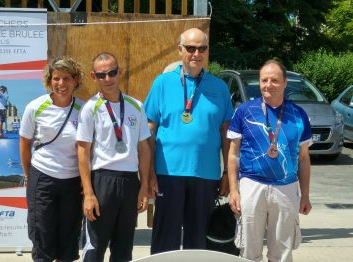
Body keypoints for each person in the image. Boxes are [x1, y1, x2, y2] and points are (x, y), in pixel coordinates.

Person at [143, 28, 234, 254]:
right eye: (191, 48)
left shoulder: (219, 87)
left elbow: (227, 135)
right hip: (168, 173)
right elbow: (148, 130)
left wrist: (228, 175)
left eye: (201, 48)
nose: (196, 53)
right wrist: (149, 172)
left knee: (200, 241)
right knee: (166, 239)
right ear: (180, 50)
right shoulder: (162, 83)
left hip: (206, 174)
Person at [227, 59, 312, 262]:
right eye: (264, 80)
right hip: (252, 185)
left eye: (274, 80)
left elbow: (304, 159)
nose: (268, 85)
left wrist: (305, 195)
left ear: (284, 83)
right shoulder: (244, 111)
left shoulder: (299, 115)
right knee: (248, 251)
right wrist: (233, 190)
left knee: (281, 253)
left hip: (286, 188)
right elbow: (233, 154)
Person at [77, 52, 151, 262]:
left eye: (112, 73)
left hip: (129, 182)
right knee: (94, 248)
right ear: (94, 76)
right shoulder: (90, 108)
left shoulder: (136, 105)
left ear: (120, 72)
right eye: (101, 75)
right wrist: (89, 193)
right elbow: (82, 151)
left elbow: (143, 148)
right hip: (102, 181)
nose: (107, 79)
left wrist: (143, 186)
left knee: (124, 249)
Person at [19, 57, 84, 262]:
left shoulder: (84, 110)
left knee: (68, 237)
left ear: (75, 80)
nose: (61, 84)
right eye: (56, 78)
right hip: (42, 178)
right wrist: (29, 175)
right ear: (49, 80)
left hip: (73, 181)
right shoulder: (35, 107)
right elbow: (24, 142)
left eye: (66, 78)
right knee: (42, 236)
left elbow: (87, 150)